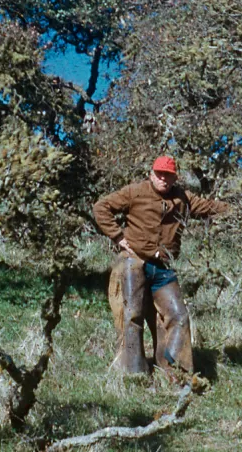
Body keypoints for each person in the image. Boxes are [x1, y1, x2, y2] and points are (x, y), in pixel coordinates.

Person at [93, 155, 229, 375]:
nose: (163, 179)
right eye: (160, 174)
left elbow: (209, 207)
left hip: (163, 267)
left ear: (175, 177)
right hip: (134, 260)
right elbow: (101, 207)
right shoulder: (135, 191)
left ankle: (175, 373)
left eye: (169, 175)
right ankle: (133, 374)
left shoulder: (183, 198)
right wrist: (118, 237)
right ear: (151, 174)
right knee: (131, 316)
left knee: (178, 316)